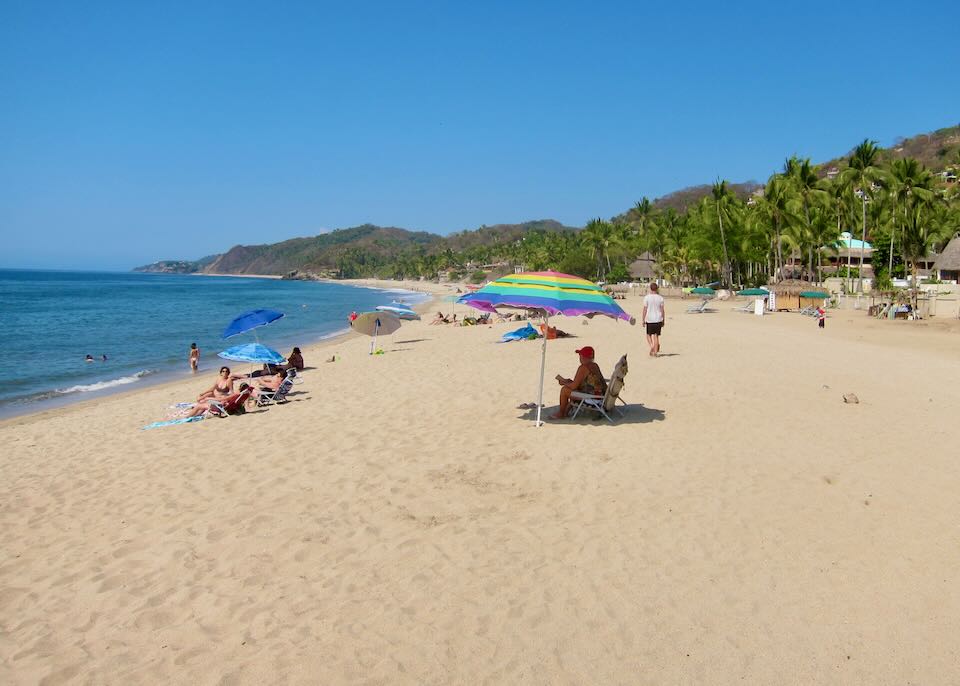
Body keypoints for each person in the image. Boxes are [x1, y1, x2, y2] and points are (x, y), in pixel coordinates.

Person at [549, 346, 607, 420]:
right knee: (571, 388)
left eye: (580, 355)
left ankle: (561, 413)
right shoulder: (595, 365)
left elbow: (574, 386)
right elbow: (583, 383)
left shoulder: (583, 368)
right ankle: (565, 412)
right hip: (600, 395)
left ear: (584, 357)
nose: (579, 357)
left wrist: (564, 383)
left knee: (564, 390)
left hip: (592, 398)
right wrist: (568, 381)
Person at [184, 383, 253, 418]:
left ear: (240, 388)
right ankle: (196, 415)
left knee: (199, 406)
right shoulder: (244, 394)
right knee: (203, 406)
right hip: (230, 407)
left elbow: (221, 399)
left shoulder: (235, 394)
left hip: (222, 408)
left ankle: (187, 417)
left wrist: (209, 398)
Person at [642, 282, 666, 357]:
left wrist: (643, 319)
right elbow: (662, 310)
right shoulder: (660, 298)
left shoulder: (647, 298)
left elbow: (645, 309)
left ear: (650, 288)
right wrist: (663, 319)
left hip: (650, 319)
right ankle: (655, 352)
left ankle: (652, 346)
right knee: (656, 336)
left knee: (648, 335)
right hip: (658, 319)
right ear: (657, 289)